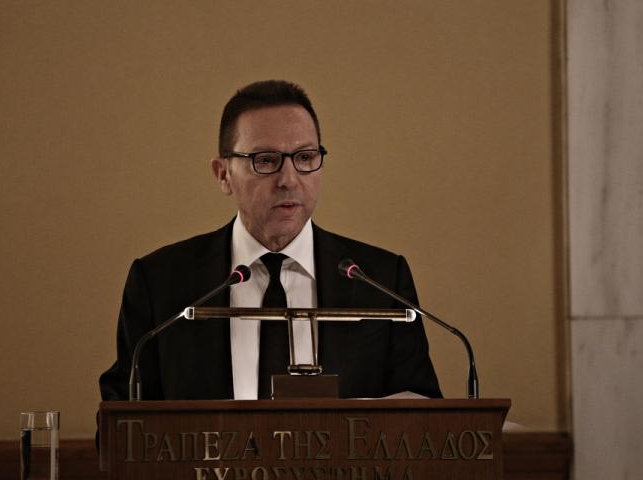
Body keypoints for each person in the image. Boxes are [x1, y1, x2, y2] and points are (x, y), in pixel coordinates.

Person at [99, 80, 441, 402]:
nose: (288, 179)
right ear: (223, 174)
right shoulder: (160, 282)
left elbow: (424, 414)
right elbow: (122, 422)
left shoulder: (380, 280)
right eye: (265, 160)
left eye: (305, 157)